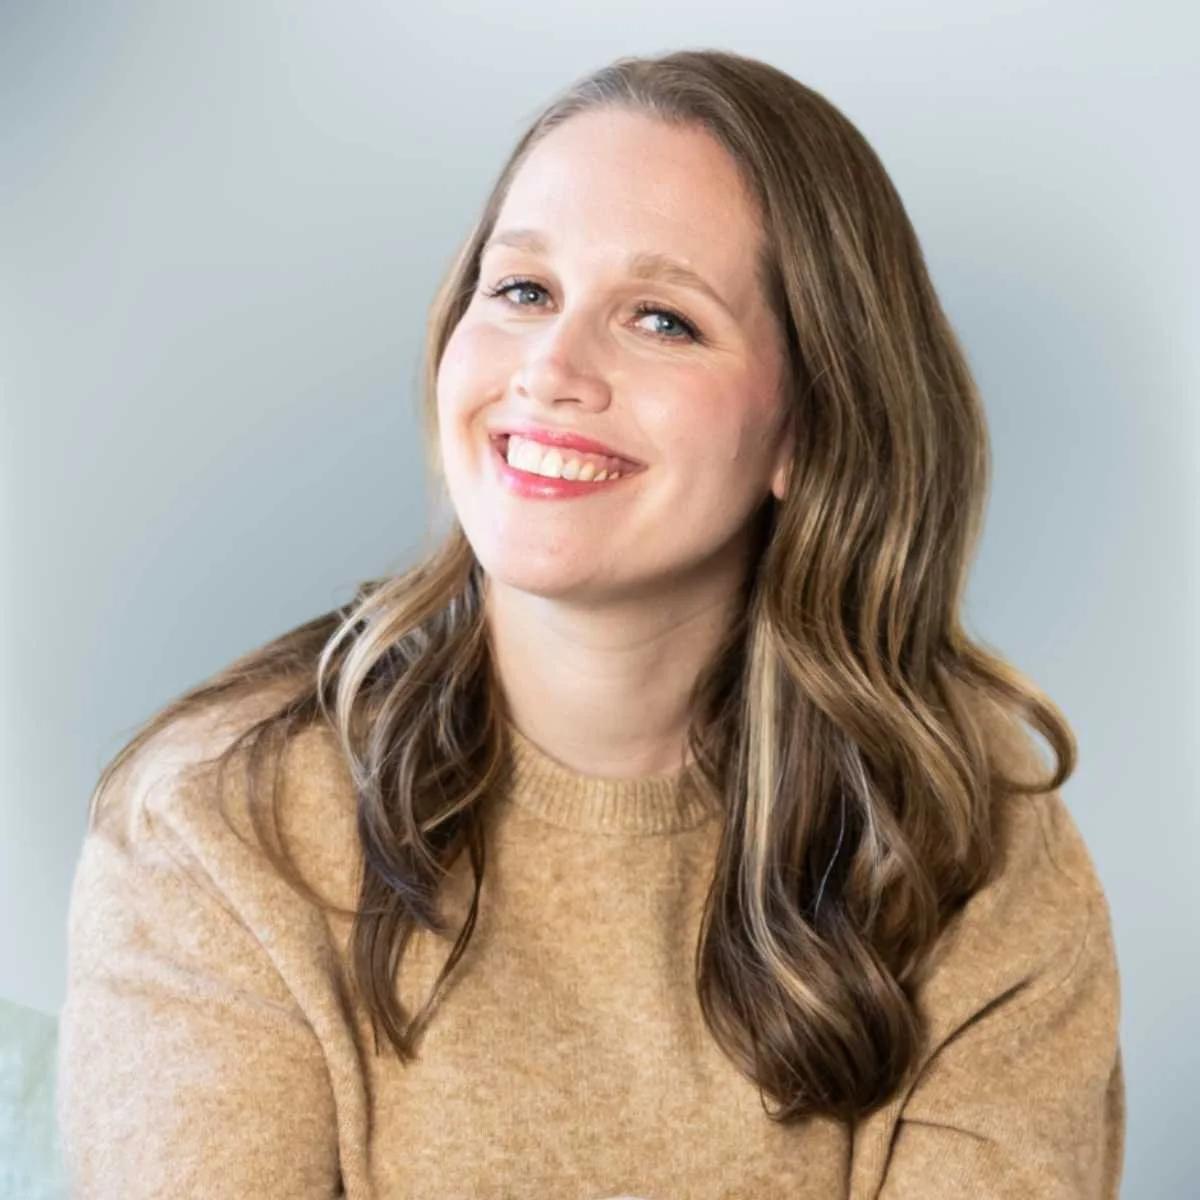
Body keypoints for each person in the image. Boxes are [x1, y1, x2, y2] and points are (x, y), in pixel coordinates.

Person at [56, 48, 1124, 1198]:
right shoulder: (218, 824)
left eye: (662, 319)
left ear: (806, 432)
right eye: (522, 292)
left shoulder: (978, 851)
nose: (551, 370)